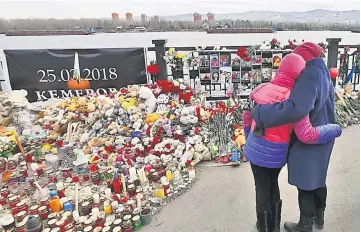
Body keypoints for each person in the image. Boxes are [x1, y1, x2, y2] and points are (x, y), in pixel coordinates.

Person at [242, 53, 342, 232]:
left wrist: (248, 137)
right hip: (277, 154)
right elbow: (306, 134)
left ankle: (266, 227)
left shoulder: (261, 89)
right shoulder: (294, 101)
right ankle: (274, 225)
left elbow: (247, 116)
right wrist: (333, 129)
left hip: (254, 149)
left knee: (261, 188)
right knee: (273, 185)